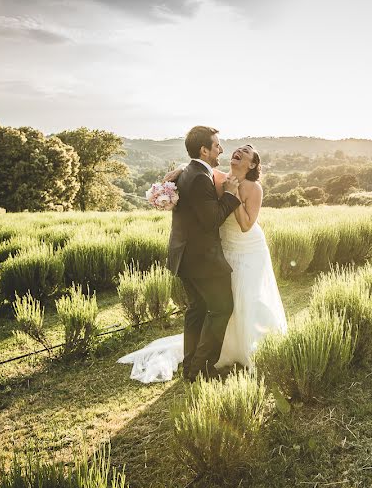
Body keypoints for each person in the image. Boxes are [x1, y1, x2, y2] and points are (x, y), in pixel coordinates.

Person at [118, 128, 287, 382]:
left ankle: (203, 363)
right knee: (220, 307)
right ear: (204, 150)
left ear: (252, 164)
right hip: (212, 253)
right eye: (220, 146)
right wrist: (184, 173)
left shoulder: (246, 186)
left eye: (245, 152)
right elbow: (208, 205)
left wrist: (233, 193)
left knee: (230, 301)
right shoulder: (216, 177)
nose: (230, 150)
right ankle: (198, 367)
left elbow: (245, 224)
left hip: (244, 246)